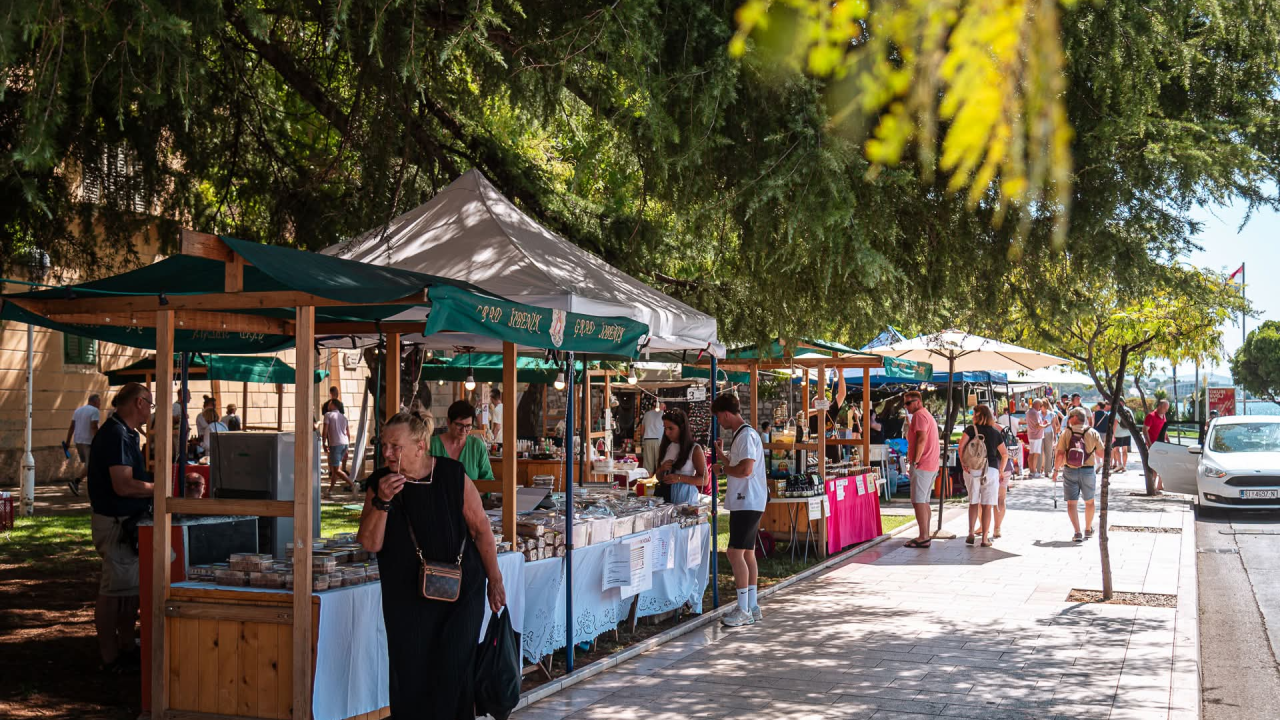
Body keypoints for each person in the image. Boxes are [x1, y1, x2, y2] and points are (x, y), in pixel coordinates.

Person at [357, 406, 505, 720]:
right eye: (384, 445)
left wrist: (495, 579)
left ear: (420, 447)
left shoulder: (452, 475)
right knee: (410, 677)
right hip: (405, 599)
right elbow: (370, 543)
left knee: (453, 674)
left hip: (460, 593)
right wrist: (382, 502)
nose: (387, 453)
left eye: (396, 447)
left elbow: (481, 529)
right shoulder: (380, 483)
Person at [87, 382, 154, 672]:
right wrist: (159, 488)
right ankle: (110, 656)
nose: (150, 410)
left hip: (127, 522)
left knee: (128, 590)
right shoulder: (116, 434)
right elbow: (123, 485)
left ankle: (126, 645)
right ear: (139, 402)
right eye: (150, 403)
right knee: (113, 591)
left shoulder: (126, 433)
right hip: (116, 523)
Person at [711, 393, 766, 627]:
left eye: (718, 417)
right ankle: (752, 605)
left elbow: (745, 470)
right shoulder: (744, 435)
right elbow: (739, 465)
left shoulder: (745, 436)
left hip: (747, 501)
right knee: (747, 554)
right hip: (750, 501)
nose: (719, 422)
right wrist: (723, 457)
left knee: (734, 554)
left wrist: (723, 470)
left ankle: (743, 609)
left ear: (726, 414)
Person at [1053, 407, 1106, 541]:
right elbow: (1101, 454)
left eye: (1070, 417)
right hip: (1088, 471)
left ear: (1075, 418)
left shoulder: (1066, 433)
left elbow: (1060, 454)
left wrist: (1056, 470)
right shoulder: (1092, 432)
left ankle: (1077, 533)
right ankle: (1088, 529)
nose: (1068, 419)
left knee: (1072, 503)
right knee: (1090, 501)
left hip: (1070, 470)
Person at [959, 404, 1008, 547]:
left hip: (972, 469)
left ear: (977, 416)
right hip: (991, 470)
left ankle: (971, 532)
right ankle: (985, 538)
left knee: (973, 503)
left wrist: (963, 463)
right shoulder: (995, 432)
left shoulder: (970, 430)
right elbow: (1005, 454)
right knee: (987, 505)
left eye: (974, 414)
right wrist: (1001, 470)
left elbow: (961, 447)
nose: (972, 417)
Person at [903, 391, 940, 549]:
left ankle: (923, 536)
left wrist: (916, 460)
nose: (906, 407)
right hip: (930, 464)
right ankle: (925, 535)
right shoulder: (925, 415)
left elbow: (921, 438)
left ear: (918, 402)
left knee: (918, 501)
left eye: (908, 403)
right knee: (924, 501)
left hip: (922, 464)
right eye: (904, 404)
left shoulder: (919, 415)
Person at [431, 401, 495, 482]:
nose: (463, 430)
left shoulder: (477, 446)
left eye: (468, 426)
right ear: (448, 422)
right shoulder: (432, 445)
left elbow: (488, 480)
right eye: (459, 425)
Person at [655, 408, 707, 505]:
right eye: (665, 428)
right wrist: (662, 469)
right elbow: (658, 477)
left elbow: (704, 480)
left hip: (685, 501)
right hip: (665, 501)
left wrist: (679, 478)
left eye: (671, 428)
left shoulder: (694, 449)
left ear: (682, 427)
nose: (667, 433)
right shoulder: (666, 447)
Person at [64, 393, 102, 496]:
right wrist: (99, 440)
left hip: (78, 441)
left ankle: (94, 485)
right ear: (95, 402)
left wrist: (68, 441)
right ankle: (76, 482)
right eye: (99, 402)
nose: (100, 405)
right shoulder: (95, 411)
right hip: (89, 442)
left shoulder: (78, 410)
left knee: (91, 464)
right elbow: (94, 426)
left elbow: (72, 426)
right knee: (91, 465)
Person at [807, 372, 846, 464]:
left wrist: (840, 373)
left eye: (825, 403)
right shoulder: (811, 416)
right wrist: (819, 411)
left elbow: (842, 394)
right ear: (814, 405)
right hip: (817, 454)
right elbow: (801, 413)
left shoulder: (830, 411)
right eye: (820, 403)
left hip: (834, 451)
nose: (825, 404)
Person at [323, 405, 352, 496]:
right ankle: (330, 490)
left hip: (336, 445)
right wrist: (347, 448)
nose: (328, 405)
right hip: (344, 444)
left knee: (336, 470)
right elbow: (348, 433)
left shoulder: (328, 415)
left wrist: (323, 443)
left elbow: (325, 431)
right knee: (336, 469)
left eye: (330, 403)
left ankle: (353, 484)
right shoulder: (344, 417)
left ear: (334, 405)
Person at [1144, 400, 1171, 491]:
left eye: (1167, 408)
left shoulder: (1163, 416)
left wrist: (1168, 440)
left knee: (1162, 465)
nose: (1166, 410)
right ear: (1159, 406)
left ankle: (1160, 484)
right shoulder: (1151, 416)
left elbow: (1164, 430)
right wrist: (1149, 444)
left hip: (1161, 445)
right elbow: (1145, 430)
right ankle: (1153, 486)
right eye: (1165, 408)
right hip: (1153, 445)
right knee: (1154, 466)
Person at [640, 401, 666, 474]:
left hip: (647, 440)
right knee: (659, 466)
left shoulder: (647, 414)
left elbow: (642, 431)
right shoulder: (663, 415)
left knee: (648, 468)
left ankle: (649, 479)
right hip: (659, 441)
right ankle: (658, 480)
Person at [1025, 399, 1048, 478]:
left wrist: (1043, 424)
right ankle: (1034, 471)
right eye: (1040, 406)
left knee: (1032, 453)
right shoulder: (1035, 413)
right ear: (1037, 405)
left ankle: (1031, 471)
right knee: (1036, 454)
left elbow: (1035, 424)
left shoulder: (1028, 412)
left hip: (1031, 435)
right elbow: (1037, 426)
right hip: (1036, 436)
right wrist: (1045, 425)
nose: (1040, 408)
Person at [1112, 404, 1132, 473]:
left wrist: (1113, 434)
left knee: (1116, 449)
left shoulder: (1118, 411)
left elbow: (1115, 422)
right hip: (1127, 433)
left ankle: (1120, 464)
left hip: (1118, 433)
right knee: (1125, 450)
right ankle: (1124, 466)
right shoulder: (1129, 410)